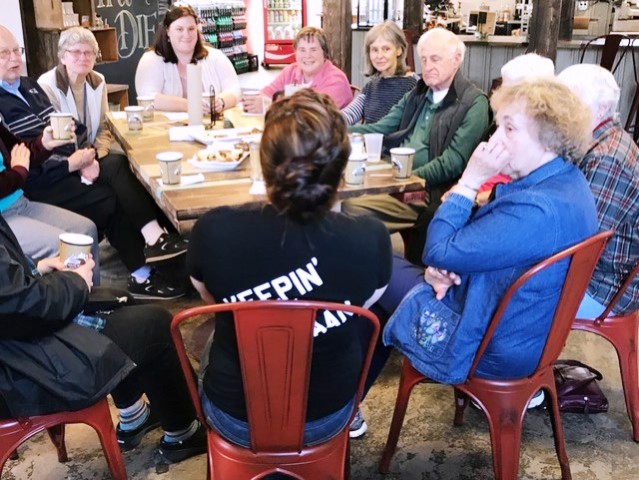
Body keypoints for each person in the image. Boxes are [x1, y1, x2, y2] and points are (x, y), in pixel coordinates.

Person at [187, 89, 392, 445]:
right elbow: (367, 301)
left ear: (263, 164)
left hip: (236, 418)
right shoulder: (371, 236)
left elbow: (209, 296)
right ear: (342, 167)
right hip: (327, 417)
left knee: (218, 332)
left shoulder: (213, 229)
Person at [378, 79, 597, 389]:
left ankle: (335, 409)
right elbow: (477, 244)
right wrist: (444, 266)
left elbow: (436, 250)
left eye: (509, 129)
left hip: (489, 346)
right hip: (524, 332)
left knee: (372, 261)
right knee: (379, 269)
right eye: (497, 127)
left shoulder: (536, 209)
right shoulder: (568, 181)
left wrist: (469, 181)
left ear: (548, 139)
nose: (494, 140)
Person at [0, 212, 206, 464]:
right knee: (156, 323)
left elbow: (8, 289)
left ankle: (133, 416)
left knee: (115, 300)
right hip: (21, 371)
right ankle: (183, 433)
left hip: (16, 351)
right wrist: (76, 283)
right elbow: (20, 306)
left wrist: (39, 267)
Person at [0, 25, 186, 299]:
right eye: (4, 53)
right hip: (41, 182)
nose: (14, 58)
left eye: (17, 51)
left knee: (120, 167)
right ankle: (144, 270)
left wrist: (87, 155)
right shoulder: (25, 94)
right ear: (62, 56)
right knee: (110, 198)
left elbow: (72, 128)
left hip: (63, 166)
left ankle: (155, 244)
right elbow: (25, 159)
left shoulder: (29, 87)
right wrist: (70, 164)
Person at [341, 27, 489, 263]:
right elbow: (382, 127)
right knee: (336, 202)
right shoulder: (419, 92)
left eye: (435, 59)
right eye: (424, 59)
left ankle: (372, 280)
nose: (427, 66)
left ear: (456, 59)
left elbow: (452, 162)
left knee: (354, 212)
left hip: (426, 191)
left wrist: (405, 179)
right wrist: (333, 130)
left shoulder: (474, 103)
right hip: (398, 178)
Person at [558, 64, 639, 318]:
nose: (559, 112)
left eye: (569, 102)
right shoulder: (598, 141)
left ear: (602, 108)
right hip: (597, 273)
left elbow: (583, 244)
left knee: (502, 293)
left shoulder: (608, 158)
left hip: (604, 287)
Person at [0, 119, 99, 278]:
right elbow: (19, 167)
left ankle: (93, 297)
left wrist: (43, 144)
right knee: (66, 248)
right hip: (3, 220)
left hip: (19, 202)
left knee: (86, 230)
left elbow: (19, 152)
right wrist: (18, 172)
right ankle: (75, 298)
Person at [135, 4, 241, 115]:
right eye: (179, 29)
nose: (186, 34)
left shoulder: (215, 57)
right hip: (165, 129)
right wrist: (189, 105)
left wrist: (221, 102)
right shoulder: (151, 60)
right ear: (167, 31)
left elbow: (234, 89)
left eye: (191, 29)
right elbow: (147, 97)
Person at [242, 27, 353, 113]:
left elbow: (315, 114)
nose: (307, 55)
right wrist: (258, 101)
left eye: (313, 50)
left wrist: (272, 104)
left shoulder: (336, 80)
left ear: (324, 53)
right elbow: (267, 92)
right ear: (295, 53)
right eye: (302, 50)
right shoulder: (291, 71)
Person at [341, 21, 416, 125]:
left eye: (386, 49)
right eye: (375, 50)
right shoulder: (370, 87)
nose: (379, 56)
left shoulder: (414, 85)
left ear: (399, 50)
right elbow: (349, 115)